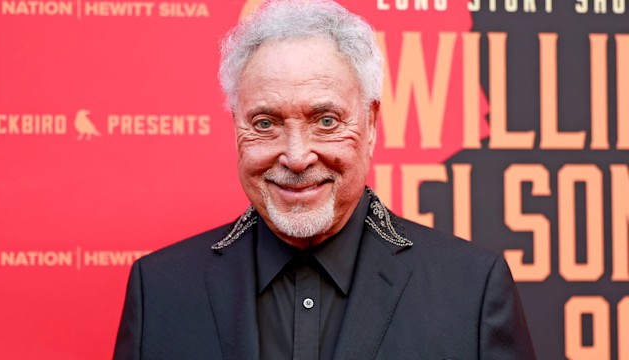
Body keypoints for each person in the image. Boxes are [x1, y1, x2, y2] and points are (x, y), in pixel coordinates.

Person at [113, 0, 536, 359]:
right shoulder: (161, 292)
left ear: (370, 125)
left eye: (326, 120)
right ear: (235, 127)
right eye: (265, 123)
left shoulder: (471, 291)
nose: (296, 156)